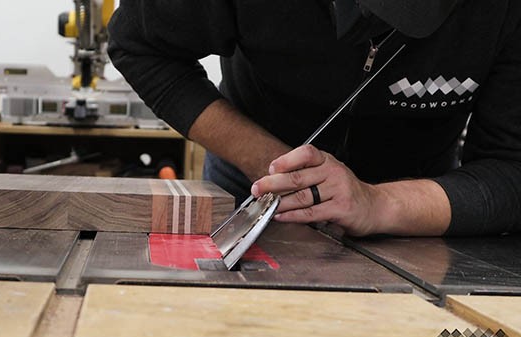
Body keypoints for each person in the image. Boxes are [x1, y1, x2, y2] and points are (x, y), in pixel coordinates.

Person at [107, 0, 521, 237]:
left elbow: (511, 168)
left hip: (417, 204)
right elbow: (138, 46)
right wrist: (282, 170)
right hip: (256, 184)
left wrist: (379, 204)